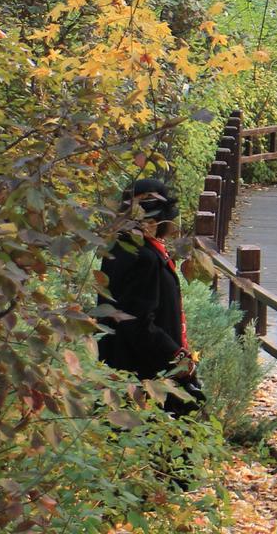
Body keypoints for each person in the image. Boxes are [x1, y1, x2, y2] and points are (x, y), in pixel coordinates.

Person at [96, 177, 201, 416]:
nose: (146, 223)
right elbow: (138, 322)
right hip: (146, 375)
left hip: (120, 371)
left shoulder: (117, 248)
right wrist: (176, 357)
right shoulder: (143, 257)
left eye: (151, 217)